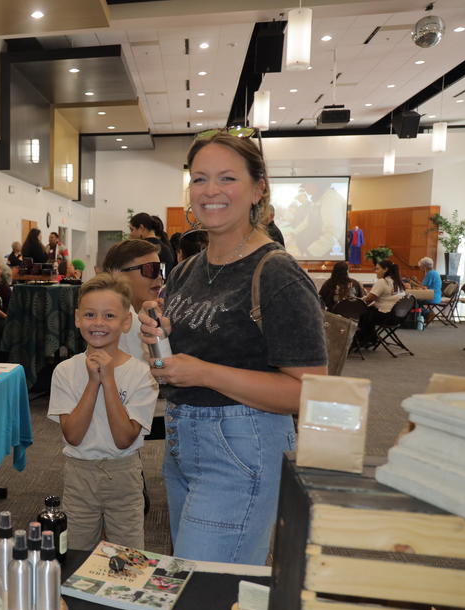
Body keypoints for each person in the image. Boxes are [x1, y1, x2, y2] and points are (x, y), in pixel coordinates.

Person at [138, 129, 327, 564]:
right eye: (200, 178)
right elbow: (171, 366)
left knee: (205, 590)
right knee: (194, 582)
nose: (211, 191)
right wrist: (158, 339)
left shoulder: (276, 273)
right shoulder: (188, 270)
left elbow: (309, 391)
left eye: (227, 178)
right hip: (183, 446)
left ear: (258, 187)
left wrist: (202, 372)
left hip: (243, 450)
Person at [48, 273, 159, 551]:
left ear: (126, 322)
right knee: (74, 554)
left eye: (109, 315)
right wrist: (93, 381)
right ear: (77, 318)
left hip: (124, 475)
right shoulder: (65, 371)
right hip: (78, 475)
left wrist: (108, 380)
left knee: (129, 557)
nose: (98, 323)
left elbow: (124, 438)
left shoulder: (141, 374)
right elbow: (73, 435)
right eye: (89, 314)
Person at [102, 239, 164, 363]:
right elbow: (160, 367)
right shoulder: (129, 323)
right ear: (117, 274)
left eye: (160, 269)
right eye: (150, 269)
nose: (159, 277)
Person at [357, 259, 406, 346]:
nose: (376, 272)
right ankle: (370, 339)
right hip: (399, 317)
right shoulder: (398, 282)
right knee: (369, 312)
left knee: (361, 314)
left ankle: (363, 340)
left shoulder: (383, 282)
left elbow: (368, 300)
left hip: (387, 317)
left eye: (378, 269)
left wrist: (357, 300)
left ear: (385, 269)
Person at [129, 213, 176, 277]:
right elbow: (164, 275)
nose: (130, 234)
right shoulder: (166, 248)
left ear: (141, 228)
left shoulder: (139, 249)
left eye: (132, 230)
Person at [416, 257, 443, 324]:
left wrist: (413, 283)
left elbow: (423, 287)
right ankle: (426, 314)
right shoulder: (434, 272)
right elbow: (424, 286)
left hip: (432, 297)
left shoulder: (430, 273)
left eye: (421, 266)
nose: (420, 268)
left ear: (424, 266)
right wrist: (416, 282)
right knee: (416, 301)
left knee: (414, 300)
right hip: (436, 296)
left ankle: (428, 313)